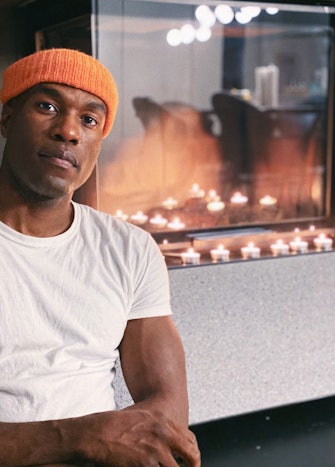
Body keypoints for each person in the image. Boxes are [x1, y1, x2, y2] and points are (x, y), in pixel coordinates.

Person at [0, 48, 200, 466]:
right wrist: (83, 436)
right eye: (47, 106)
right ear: (7, 117)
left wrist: (102, 442)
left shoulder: (129, 248)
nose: (68, 131)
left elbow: (166, 403)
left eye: (89, 119)